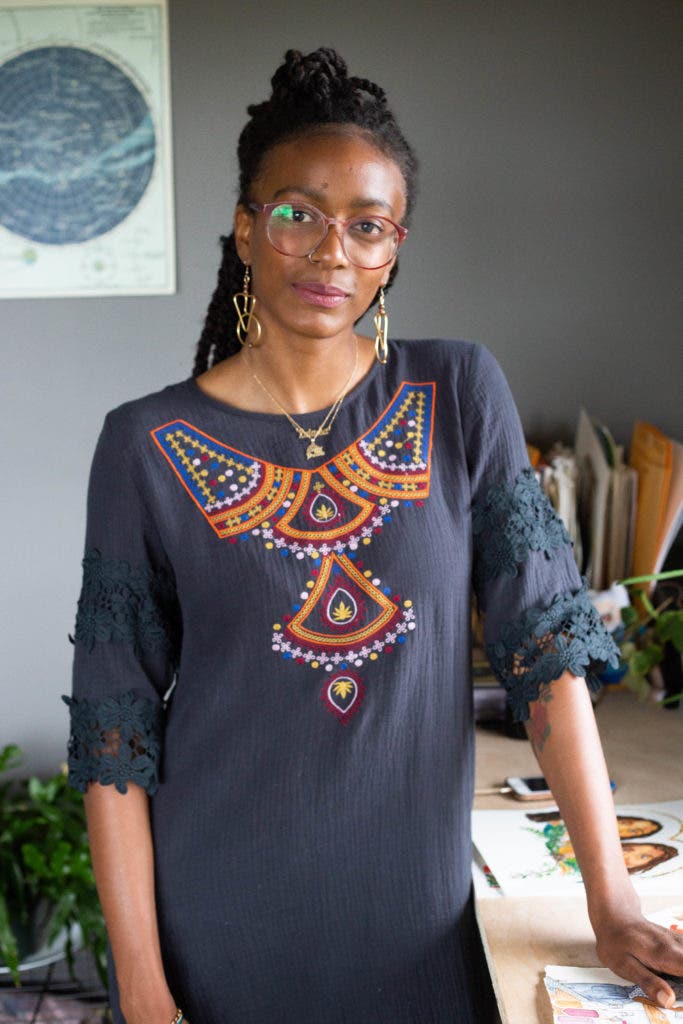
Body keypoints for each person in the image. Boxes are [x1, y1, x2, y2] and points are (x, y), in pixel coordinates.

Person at [63, 47, 683, 1024]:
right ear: (245, 226)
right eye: (297, 214)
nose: (332, 251)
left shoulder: (458, 391)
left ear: (393, 249)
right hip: (220, 918)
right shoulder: (144, 443)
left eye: (367, 224)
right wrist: (143, 994)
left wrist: (610, 903)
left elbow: (544, 657)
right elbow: (114, 737)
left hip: (418, 922)